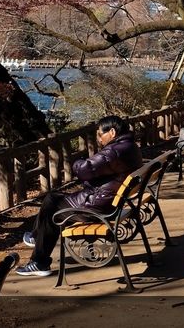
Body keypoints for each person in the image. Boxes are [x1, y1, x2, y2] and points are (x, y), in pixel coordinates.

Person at [16, 115, 142, 277]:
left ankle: (39, 261)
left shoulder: (114, 152)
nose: (98, 138)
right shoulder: (129, 147)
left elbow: (84, 169)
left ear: (112, 132)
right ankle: (36, 237)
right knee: (53, 198)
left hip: (97, 206)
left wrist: (78, 161)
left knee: (52, 204)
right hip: (109, 201)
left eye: (100, 134)